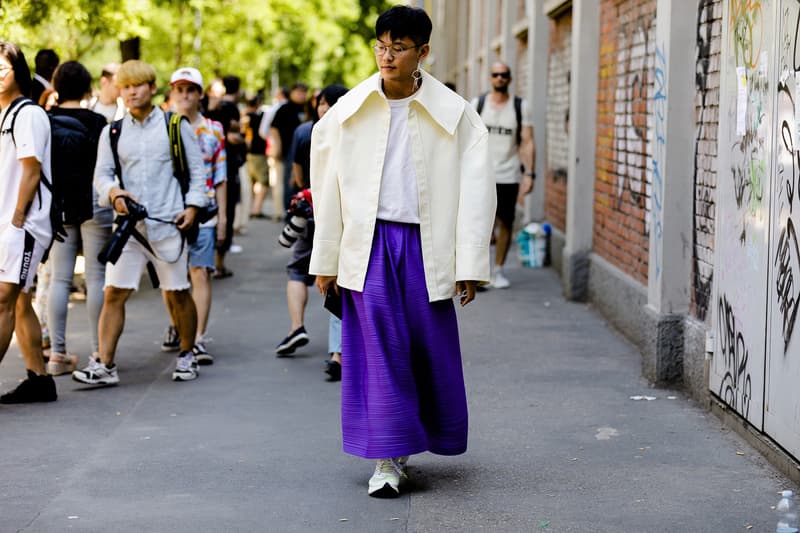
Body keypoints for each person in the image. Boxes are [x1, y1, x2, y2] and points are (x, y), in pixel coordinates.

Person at [309, 6, 495, 497]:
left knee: (423, 352)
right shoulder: (348, 112)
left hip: (426, 246)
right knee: (377, 351)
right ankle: (386, 458)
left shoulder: (456, 115)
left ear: (423, 53)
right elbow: (326, 188)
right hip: (367, 246)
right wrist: (325, 259)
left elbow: (478, 193)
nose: (386, 56)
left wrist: (470, 264)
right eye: (381, 45)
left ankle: (407, 446)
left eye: (399, 47)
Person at [72, 60, 207, 386]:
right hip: (129, 229)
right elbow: (101, 176)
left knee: (178, 293)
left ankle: (188, 354)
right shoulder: (112, 132)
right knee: (113, 293)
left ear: (151, 87)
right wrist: (114, 192)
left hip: (169, 225)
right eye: (126, 86)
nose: (131, 92)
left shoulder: (175, 126)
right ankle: (105, 364)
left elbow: (197, 173)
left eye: (138, 85)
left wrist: (192, 208)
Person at [45, 61, 112, 376]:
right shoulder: (100, 122)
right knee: (96, 278)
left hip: (58, 208)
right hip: (95, 204)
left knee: (60, 278)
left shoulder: (45, 120)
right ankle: (99, 351)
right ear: (88, 88)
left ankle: (57, 354)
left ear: (56, 87)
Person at [274, 84, 347, 371]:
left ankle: (297, 327)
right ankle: (337, 353)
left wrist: (303, 193)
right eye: (322, 103)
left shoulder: (306, 131)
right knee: (340, 278)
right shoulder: (353, 132)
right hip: (340, 213)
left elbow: (296, 174)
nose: (323, 108)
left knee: (298, 270)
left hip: (311, 208)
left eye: (327, 103)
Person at [0, 41, 58, 403]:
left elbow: (31, 170)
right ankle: (40, 379)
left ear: (18, 71)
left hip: (21, 225)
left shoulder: (28, 114)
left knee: (3, 298)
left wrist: (17, 220)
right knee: (19, 301)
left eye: (2, 68)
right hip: (6, 223)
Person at [161, 67, 228, 364]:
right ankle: (179, 326)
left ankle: (197, 336)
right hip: (168, 212)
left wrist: (223, 218)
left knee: (199, 271)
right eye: (180, 90)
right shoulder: (162, 127)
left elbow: (221, 176)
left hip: (205, 212)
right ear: (172, 93)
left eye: (191, 90)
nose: (185, 95)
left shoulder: (214, 129)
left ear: (200, 94)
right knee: (170, 275)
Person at [472, 62, 535, 289]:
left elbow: (527, 142)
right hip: (480, 175)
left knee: (506, 222)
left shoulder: (520, 107)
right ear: (490, 78)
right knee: (479, 225)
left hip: (508, 174)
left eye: (504, 75)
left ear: (509, 79)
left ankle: (497, 270)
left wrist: (530, 174)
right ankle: (477, 272)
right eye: (495, 74)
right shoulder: (478, 104)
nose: (499, 78)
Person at [206, 74, 244, 279]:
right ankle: (210, 262)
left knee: (225, 212)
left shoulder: (227, 109)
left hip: (225, 167)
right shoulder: (200, 110)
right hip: (209, 169)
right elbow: (235, 135)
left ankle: (218, 262)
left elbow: (236, 134)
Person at [269, 82, 307, 211]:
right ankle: (289, 210)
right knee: (289, 182)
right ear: (292, 93)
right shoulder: (285, 108)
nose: (301, 95)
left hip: (305, 151)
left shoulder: (306, 108)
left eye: (304, 92)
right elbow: (274, 128)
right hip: (288, 151)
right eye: (298, 92)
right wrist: (278, 146)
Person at [244, 95, 269, 218]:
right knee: (263, 181)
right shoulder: (260, 117)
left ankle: (251, 208)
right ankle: (256, 209)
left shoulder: (243, 117)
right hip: (259, 153)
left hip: (247, 153)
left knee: (251, 181)